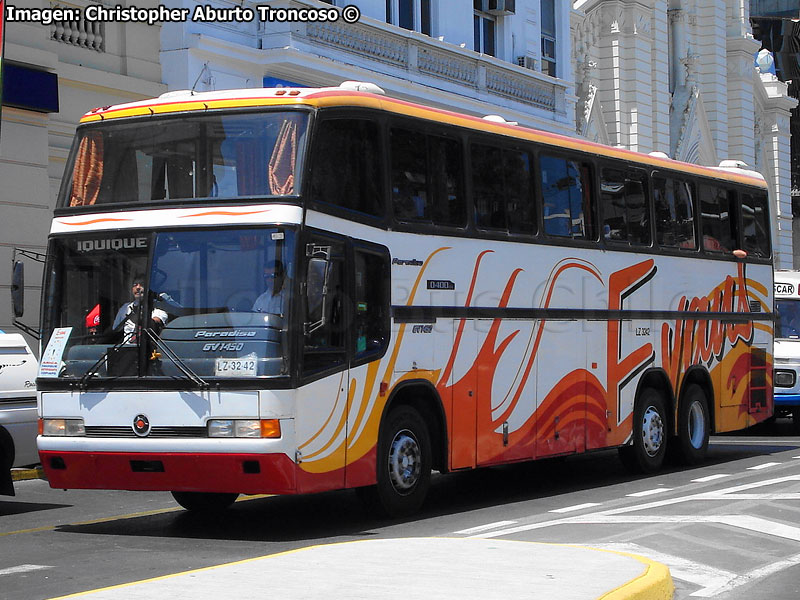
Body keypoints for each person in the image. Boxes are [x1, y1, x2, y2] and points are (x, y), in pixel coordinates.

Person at [112, 274, 168, 343]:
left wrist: (138, 318)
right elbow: (115, 331)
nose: (138, 287)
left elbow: (153, 325)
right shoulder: (125, 308)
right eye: (135, 285)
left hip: (146, 350)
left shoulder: (158, 309)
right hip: (125, 349)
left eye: (142, 284)